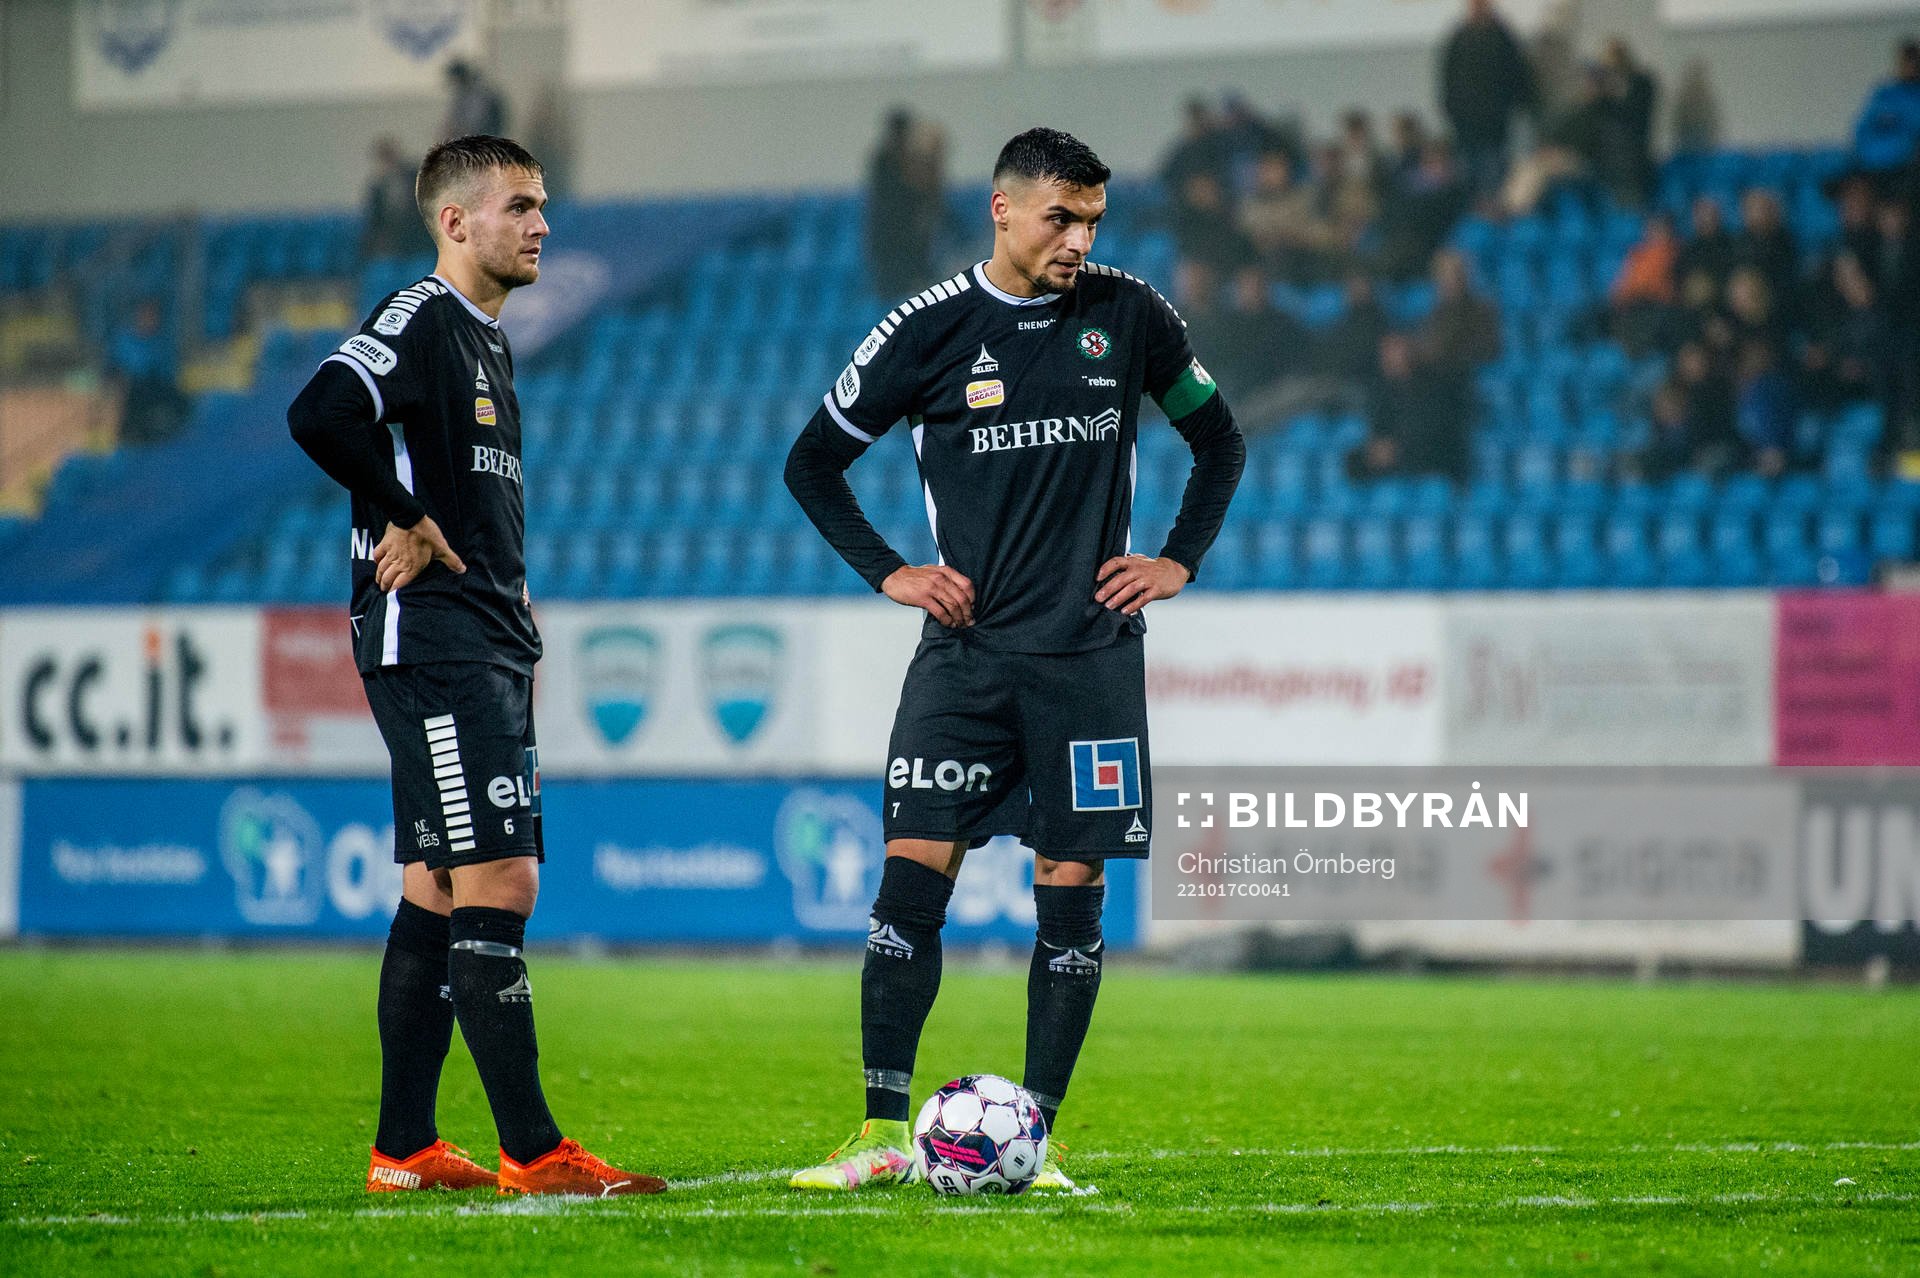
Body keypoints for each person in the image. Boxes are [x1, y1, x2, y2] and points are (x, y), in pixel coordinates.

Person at [782, 127, 1244, 1192]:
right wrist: (891, 571)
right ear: (1003, 209)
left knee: (1070, 889)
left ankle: (1036, 1136)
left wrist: (1178, 558)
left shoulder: (1131, 317)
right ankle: (875, 1133)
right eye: (1060, 218)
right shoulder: (929, 330)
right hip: (968, 658)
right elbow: (813, 463)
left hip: (1089, 658)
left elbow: (1219, 439)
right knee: (910, 881)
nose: (1080, 239)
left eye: (1093, 220)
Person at [287, 136, 663, 1198]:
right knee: (502, 878)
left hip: (483, 641)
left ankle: (403, 1148)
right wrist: (404, 515)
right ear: (457, 221)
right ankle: (535, 1152)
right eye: (522, 205)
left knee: (438, 891)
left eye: (544, 204)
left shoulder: (487, 340)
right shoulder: (418, 319)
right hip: (438, 644)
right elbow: (319, 412)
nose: (543, 223)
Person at [1439, 0, 1535, 203]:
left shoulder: (1499, 37)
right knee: (1470, 177)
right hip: (1468, 124)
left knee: (1493, 177)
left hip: (1492, 124)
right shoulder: (1461, 37)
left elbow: (1516, 75)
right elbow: (1448, 79)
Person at [109, 298, 190, 444]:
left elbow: (168, 374)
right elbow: (116, 367)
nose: (149, 321)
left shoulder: (161, 344)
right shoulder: (126, 341)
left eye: (153, 317)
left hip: (156, 389)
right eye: (145, 316)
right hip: (133, 391)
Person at [1852, 38, 1920, 182]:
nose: (1908, 67)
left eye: (1912, 62)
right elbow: (1862, 128)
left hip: (1907, 166)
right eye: (1904, 62)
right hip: (1871, 164)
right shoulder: (1884, 93)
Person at [359, 137, 430, 264]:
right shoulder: (377, 189)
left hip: (418, 236)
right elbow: (374, 220)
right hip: (392, 242)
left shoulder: (416, 178)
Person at [441, 61, 507, 141]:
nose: (453, 85)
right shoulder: (462, 93)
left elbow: (472, 123)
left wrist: (455, 131)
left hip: (486, 136)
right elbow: (452, 119)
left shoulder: (479, 93)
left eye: (454, 81)